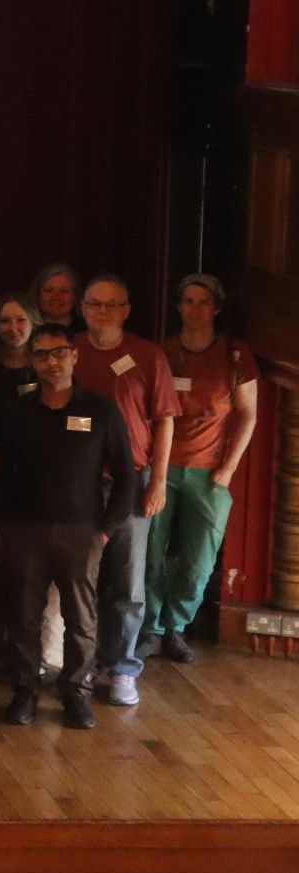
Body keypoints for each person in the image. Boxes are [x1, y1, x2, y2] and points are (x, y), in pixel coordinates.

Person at [0, 324, 136, 731]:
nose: (50, 362)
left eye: (58, 353)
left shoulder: (102, 410)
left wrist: (105, 530)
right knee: (23, 616)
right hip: (25, 529)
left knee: (82, 619)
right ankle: (24, 690)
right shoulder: (17, 413)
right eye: (41, 355)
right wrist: (4, 523)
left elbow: (127, 477)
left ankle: (75, 692)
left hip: (81, 531)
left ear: (74, 355)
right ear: (32, 361)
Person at [75, 274, 179, 707]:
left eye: (111, 305)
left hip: (131, 482)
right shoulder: (71, 352)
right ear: (84, 308)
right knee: (83, 579)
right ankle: (87, 662)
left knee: (129, 583)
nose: (103, 311)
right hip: (77, 482)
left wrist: (157, 480)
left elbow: (165, 419)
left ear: (126, 310)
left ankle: (122, 667)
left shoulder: (148, 356)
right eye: (95, 304)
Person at [147, 274, 258, 660]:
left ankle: (177, 627)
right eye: (187, 301)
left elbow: (248, 415)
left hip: (209, 474)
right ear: (178, 307)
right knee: (151, 554)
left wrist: (227, 469)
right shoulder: (162, 352)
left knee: (199, 560)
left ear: (216, 308)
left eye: (202, 302)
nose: (194, 309)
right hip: (160, 469)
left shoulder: (236, 356)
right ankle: (151, 628)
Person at [32, 262, 82, 332]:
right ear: (38, 294)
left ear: (74, 296)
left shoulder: (88, 331)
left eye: (64, 291)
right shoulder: (26, 332)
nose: (56, 297)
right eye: (48, 290)